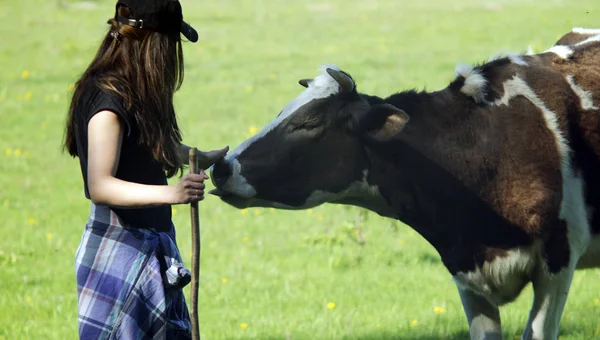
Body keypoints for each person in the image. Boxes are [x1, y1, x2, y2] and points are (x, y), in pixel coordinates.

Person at [62, 0, 228, 338]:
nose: (172, 56)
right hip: (122, 252)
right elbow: (101, 184)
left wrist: (196, 155)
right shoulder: (107, 101)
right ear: (153, 43)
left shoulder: (133, 90)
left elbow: (146, 146)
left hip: (147, 247)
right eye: (170, 44)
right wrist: (173, 193)